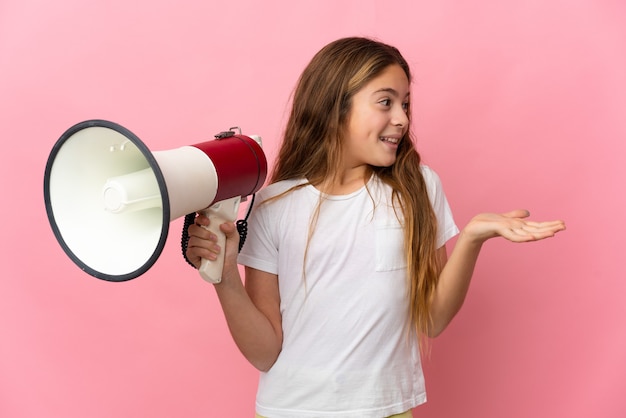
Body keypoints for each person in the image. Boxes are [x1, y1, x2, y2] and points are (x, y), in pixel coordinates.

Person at [185, 37, 566, 418]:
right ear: (334, 108)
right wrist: (225, 277)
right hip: (289, 409)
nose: (401, 118)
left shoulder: (418, 188)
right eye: (385, 102)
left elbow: (432, 320)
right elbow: (265, 353)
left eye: (405, 104)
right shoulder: (273, 205)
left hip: (386, 410)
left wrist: (471, 238)